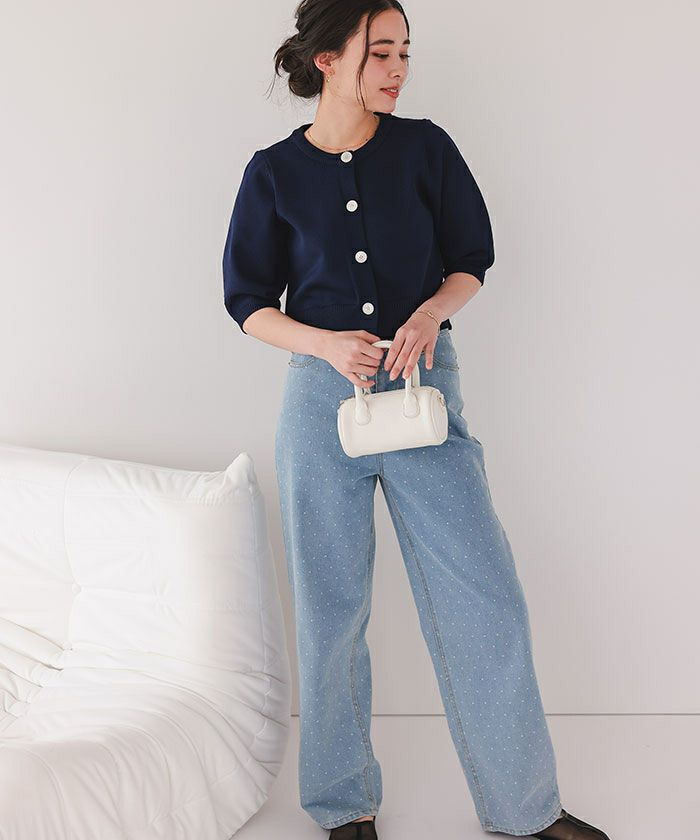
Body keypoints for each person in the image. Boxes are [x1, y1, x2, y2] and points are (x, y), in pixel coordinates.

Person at [222, 3, 612, 839]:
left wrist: (432, 313)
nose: (398, 69)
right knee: (330, 611)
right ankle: (343, 804)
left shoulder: (426, 149)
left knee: (485, 598)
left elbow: (471, 259)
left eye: (405, 52)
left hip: (423, 388)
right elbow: (247, 301)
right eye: (380, 52)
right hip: (322, 402)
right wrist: (325, 344)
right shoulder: (273, 173)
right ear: (328, 59)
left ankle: (525, 809)